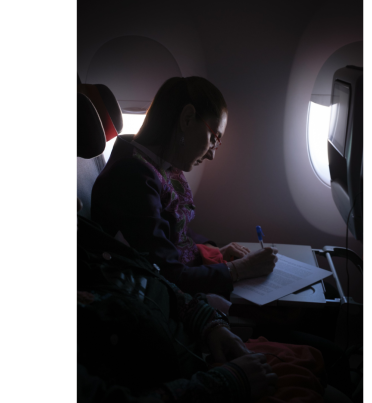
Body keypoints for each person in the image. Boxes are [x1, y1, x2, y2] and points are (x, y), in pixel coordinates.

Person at [77, 211, 328, 403]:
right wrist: (230, 381)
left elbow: (156, 277)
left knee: (318, 355)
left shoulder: (86, 236)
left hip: (202, 345)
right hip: (197, 381)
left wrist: (210, 324)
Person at [91, 76, 277, 297]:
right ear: (187, 118)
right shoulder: (131, 176)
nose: (212, 154)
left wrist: (216, 252)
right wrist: (240, 269)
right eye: (214, 138)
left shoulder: (157, 165)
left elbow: (172, 233)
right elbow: (169, 275)